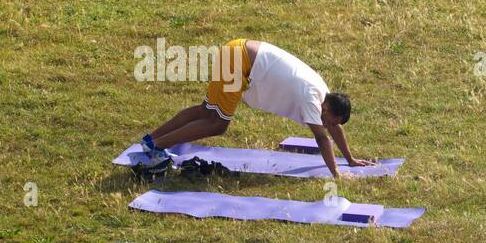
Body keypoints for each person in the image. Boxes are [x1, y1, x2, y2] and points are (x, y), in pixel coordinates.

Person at [136, 39, 373, 179]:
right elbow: (323, 138)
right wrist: (338, 174)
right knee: (218, 124)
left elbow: (333, 130)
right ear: (329, 109)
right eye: (332, 121)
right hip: (240, 60)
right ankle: (157, 147)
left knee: (206, 111)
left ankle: (151, 140)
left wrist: (350, 159)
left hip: (236, 50)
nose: (330, 125)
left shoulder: (323, 93)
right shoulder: (312, 100)